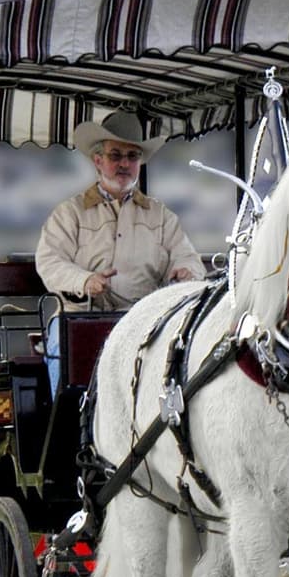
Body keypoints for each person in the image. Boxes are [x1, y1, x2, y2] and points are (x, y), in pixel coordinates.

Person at [37, 112, 204, 386]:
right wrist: (85, 281)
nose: (124, 164)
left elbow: (187, 257)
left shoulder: (161, 216)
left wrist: (186, 272)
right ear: (98, 161)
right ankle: (69, 414)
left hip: (144, 318)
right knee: (62, 349)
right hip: (80, 318)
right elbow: (50, 261)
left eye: (132, 156)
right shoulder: (70, 213)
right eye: (115, 156)